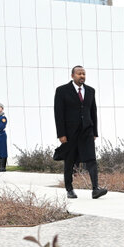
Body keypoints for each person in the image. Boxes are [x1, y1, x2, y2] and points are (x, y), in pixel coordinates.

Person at [53, 66, 107, 199]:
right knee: (69, 161)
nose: (82, 76)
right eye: (79, 74)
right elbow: (58, 114)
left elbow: (93, 111)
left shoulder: (90, 91)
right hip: (70, 133)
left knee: (91, 159)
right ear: (72, 76)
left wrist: (95, 131)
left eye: (83, 74)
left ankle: (95, 189)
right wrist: (61, 134)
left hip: (87, 131)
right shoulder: (62, 91)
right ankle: (69, 189)